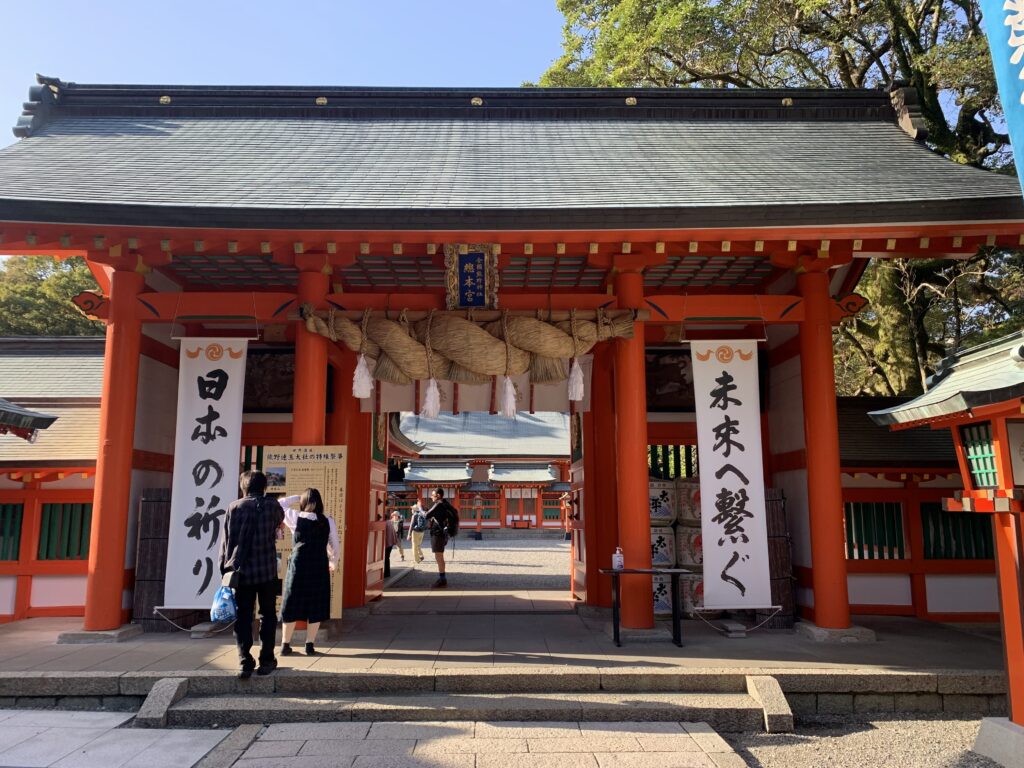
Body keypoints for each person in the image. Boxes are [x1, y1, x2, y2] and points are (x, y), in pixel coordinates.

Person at [220, 470, 284, 679]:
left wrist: (224, 568)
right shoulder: (273, 506)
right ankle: (267, 660)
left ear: (243, 487)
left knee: (244, 616)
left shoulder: (234, 507)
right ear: (265, 487)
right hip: (266, 570)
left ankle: (244, 662)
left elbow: (227, 541)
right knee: (268, 615)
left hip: (243, 572)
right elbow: (279, 522)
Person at [277, 488, 339, 657]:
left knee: (291, 602)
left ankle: (285, 645)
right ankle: (309, 645)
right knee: (316, 603)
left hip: (298, 564)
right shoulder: (327, 521)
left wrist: (298, 497)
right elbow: (334, 544)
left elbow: (279, 505)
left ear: (303, 503)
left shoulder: (295, 517)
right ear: (320, 503)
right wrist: (333, 562)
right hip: (319, 563)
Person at [424, 487, 457, 588]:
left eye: (432, 495)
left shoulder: (439, 504)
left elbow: (426, 515)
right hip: (442, 534)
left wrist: (419, 509)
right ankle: (442, 578)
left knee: (439, 557)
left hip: (438, 534)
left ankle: (442, 579)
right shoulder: (445, 504)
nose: (431, 497)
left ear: (438, 495)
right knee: (439, 556)